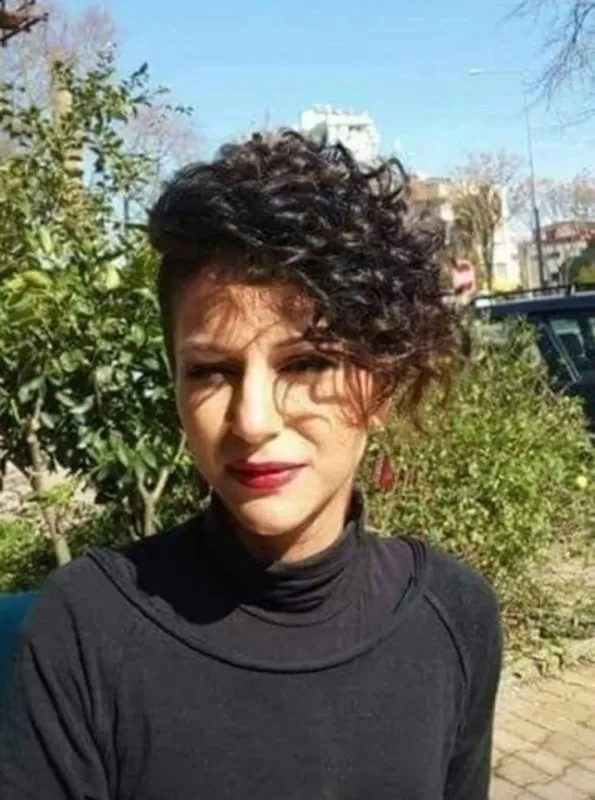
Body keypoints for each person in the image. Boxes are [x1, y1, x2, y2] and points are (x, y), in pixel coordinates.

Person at [0, 131, 502, 799]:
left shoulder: (456, 617)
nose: (253, 420)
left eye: (307, 363)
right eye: (212, 371)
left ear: (381, 384)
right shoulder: (83, 631)